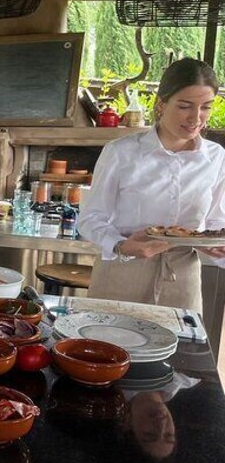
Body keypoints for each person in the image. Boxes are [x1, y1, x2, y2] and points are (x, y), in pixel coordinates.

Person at [79, 58, 225, 313]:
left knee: (180, 351)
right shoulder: (121, 152)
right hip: (122, 272)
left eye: (206, 107)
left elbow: (215, 223)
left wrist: (216, 245)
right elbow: (91, 218)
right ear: (161, 104)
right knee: (110, 349)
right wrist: (122, 245)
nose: (196, 118)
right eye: (185, 106)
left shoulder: (216, 158)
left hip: (181, 275)